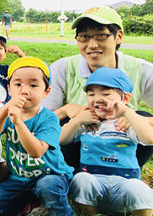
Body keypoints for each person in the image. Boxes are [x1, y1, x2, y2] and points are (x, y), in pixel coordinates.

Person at [42, 5, 153, 170]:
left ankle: (127, 173)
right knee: (64, 121)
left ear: (118, 36)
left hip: (123, 147)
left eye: (101, 35)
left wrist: (139, 120)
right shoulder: (63, 68)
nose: (92, 44)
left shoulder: (142, 70)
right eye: (84, 37)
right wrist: (66, 110)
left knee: (144, 118)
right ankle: (78, 172)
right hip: (81, 148)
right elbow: (40, 121)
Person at [0, 57, 74, 216]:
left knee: (48, 187)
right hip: (19, 178)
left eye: (33, 85)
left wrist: (18, 122)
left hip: (51, 176)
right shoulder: (8, 113)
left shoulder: (49, 119)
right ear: (9, 89)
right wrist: (5, 109)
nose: (24, 90)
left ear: (46, 91)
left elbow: (37, 151)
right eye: (18, 84)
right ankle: (33, 204)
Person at [60, 67, 153, 215]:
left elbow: (149, 139)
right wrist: (77, 121)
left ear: (126, 99)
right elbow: (61, 140)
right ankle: (92, 213)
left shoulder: (126, 123)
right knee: (80, 180)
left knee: (138, 188)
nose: (98, 98)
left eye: (106, 93)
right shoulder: (87, 122)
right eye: (91, 94)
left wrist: (128, 113)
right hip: (94, 184)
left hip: (124, 185)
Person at [0, 33, 25, 106]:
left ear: (5, 53)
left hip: (6, 110)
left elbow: (26, 72)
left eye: (0, 48)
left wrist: (21, 55)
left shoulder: (7, 70)